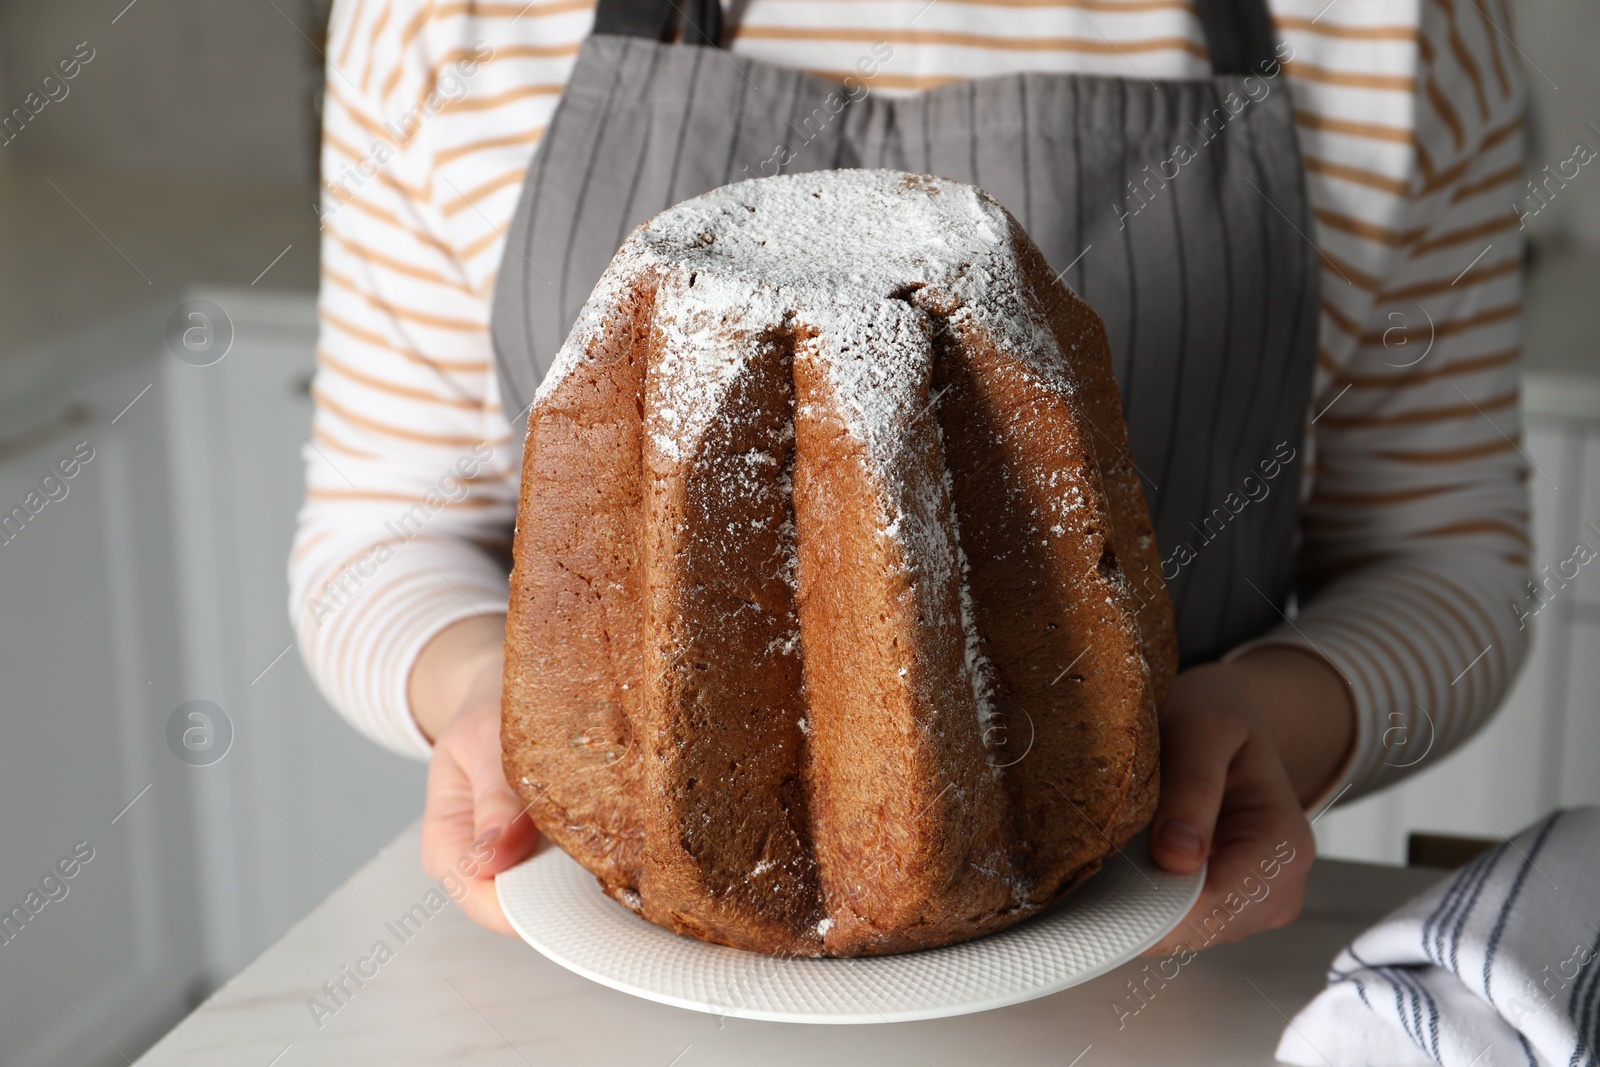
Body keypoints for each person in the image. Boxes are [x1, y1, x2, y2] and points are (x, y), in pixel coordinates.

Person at [291, 0, 1531, 951]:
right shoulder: (447, 21)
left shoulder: (1396, 23)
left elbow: (1449, 559)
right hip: (618, 977)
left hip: (1156, 955)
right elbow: (373, 534)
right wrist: (479, 692)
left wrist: (1277, 714)